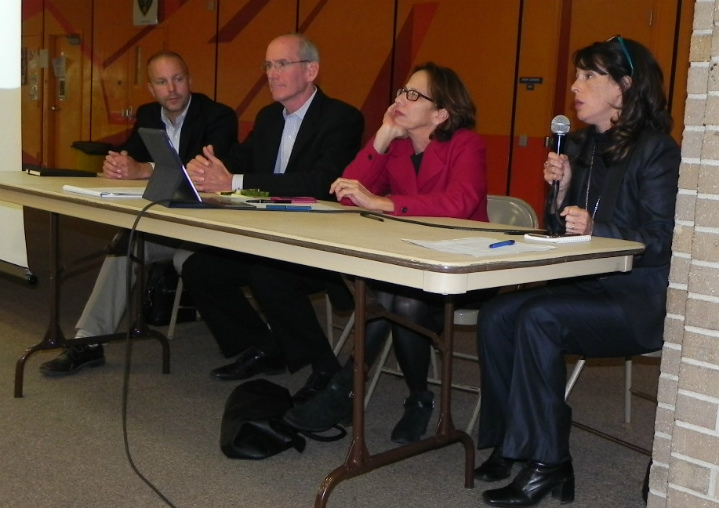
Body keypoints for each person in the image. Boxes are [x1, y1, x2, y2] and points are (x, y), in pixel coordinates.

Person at [472, 37, 680, 507]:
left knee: (539, 317)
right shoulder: (581, 146)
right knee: (498, 314)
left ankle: (547, 462)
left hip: (633, 299)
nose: (574, 86)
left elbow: (663, 238)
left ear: (624, 87)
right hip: (585, 286)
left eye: (589, 76)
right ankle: (514, 444)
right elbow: (559, 230)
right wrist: (562, 192)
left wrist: (598, 225)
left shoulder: (657, 151)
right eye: (577, 75)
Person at [283, 62, 488, 444]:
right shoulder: (396, 148)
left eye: (413, 94)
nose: (400, 99)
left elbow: (460, 203)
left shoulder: (466, 145)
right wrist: (379, 138)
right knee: (395, 296)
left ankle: (361, 392)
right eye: (400, 92)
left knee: (398, 300)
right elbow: (346, 194)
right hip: (408, 262)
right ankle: (405, 397)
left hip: (463, 269)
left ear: (441, 112)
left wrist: (384, 203)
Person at [179, 33, 364, 391]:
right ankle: (265, 347)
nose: (272, 73)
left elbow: (319, 183)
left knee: (268, 277)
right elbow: (238, 162)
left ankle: (324, 370)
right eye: (268, 65)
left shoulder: (341, 118)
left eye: (282, 64)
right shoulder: (268, 118)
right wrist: (205, 170)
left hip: (315, 240)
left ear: (311, 70)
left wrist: (231, 180)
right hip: (264, 235)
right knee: (200, 269)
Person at [39, 51, 238, 376]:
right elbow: (131, 155)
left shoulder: (218, 116)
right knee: (124, 244)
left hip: (208, 231)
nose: (171, 89)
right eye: (162, 82)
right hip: (164, 226)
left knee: (179, 258)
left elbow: (203, 174)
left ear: (190, 81)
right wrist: (118, 165)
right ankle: (88, 341)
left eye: (177, 79)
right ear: (151, 88)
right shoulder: (148, 115)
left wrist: (144, 169)